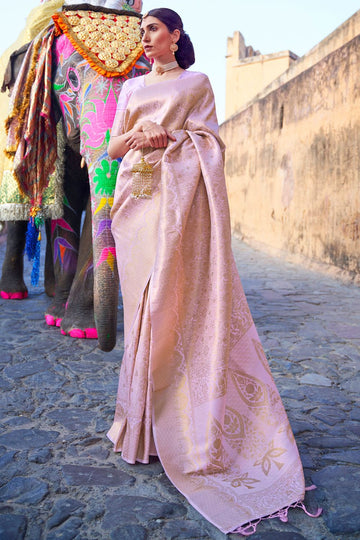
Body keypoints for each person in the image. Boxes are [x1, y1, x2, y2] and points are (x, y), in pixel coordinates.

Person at [107, 8, 321, 536]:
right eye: (142, 32)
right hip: (139, 204)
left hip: (180, 208)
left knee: (169, 306)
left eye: (153, 29)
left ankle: (183, 429)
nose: (146, 38)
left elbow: (212, 145)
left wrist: (172, 138)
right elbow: (111, 148)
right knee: (140, 312)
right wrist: (140, 137)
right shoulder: (131, 90)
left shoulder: (197, 83)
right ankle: (141, 430)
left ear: (175, 35)